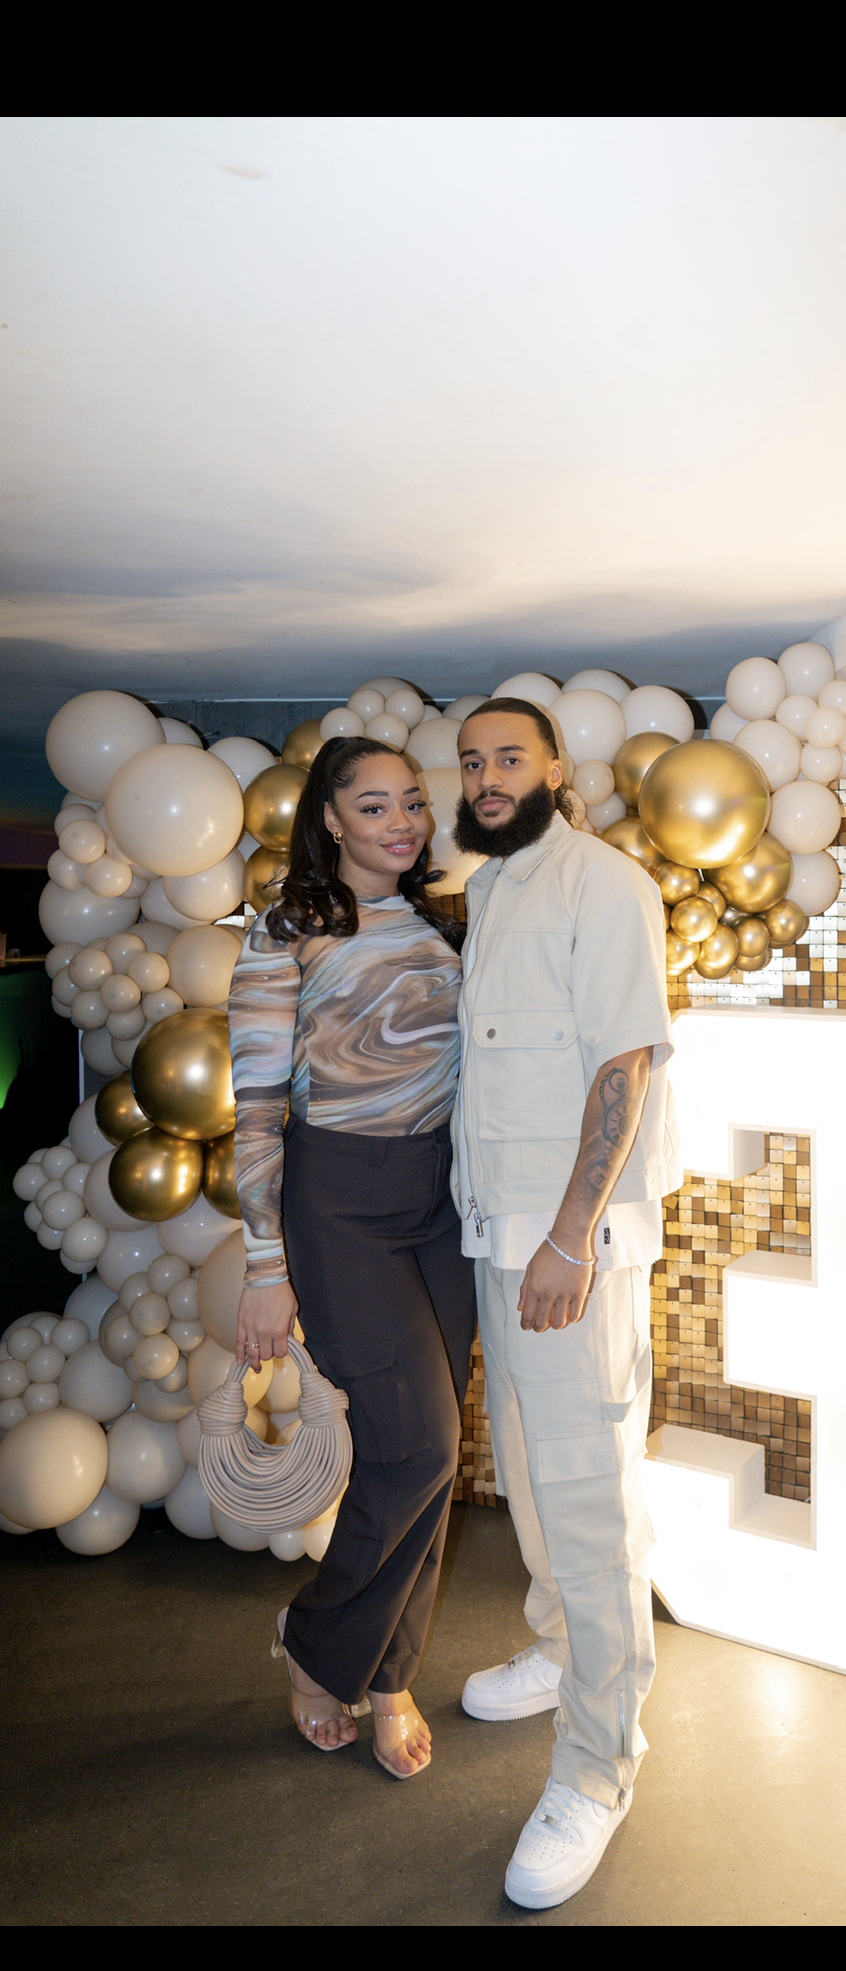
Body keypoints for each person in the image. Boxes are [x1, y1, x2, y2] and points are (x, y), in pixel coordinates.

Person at [451, 698, 678, 1907]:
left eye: (509, 759)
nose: (487, 779)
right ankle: (556, 1648)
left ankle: (600, 1763)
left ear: (555, 768)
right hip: (502, 1238)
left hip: (565, 1250)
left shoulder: (604, 882)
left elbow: (622, 1062)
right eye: (472, 762)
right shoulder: (489, 892)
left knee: (588, 1506)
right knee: (534, 1481)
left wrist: (570, 1237)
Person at [228, 737, 475, 1779]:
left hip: (441, 1200)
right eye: (374, 806)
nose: (401, 821)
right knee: (416, 1448)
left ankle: (387, 1675)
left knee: (433, 1451)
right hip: (338, 1205)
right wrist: (261, 1263)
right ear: (330, 819)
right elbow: (253, 1108)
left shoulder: (444, 917)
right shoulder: (284, 927)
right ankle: (316, 1636)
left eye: (412, 802)